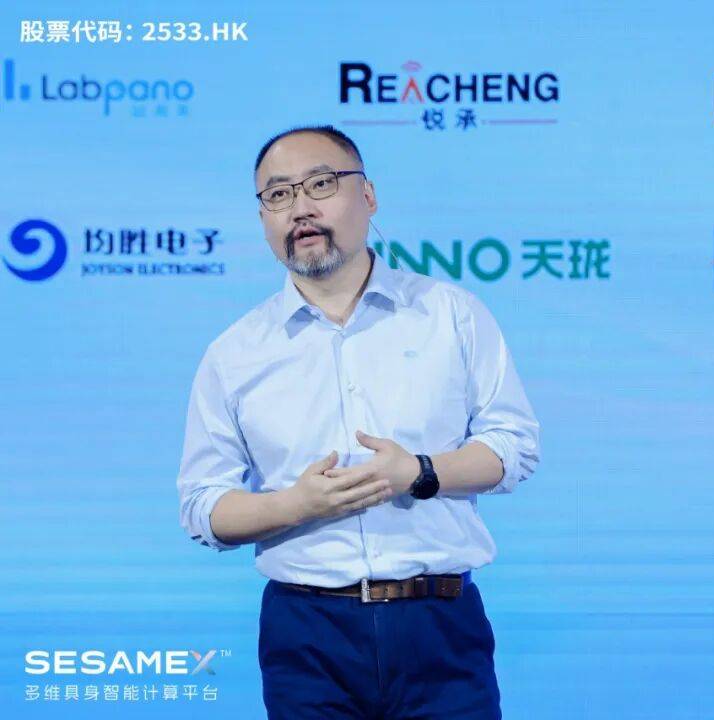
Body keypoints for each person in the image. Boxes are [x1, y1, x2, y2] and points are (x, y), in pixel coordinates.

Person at [175, 123, 541, 719]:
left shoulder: (450, 315)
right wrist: (296, 505)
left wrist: (420, 472)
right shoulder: (234, 353)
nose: (300, 208)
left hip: (439, 625)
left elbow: (513, 446)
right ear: (264, 217)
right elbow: (202, 506)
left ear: (367, 196)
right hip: (306, 633)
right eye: (279, 194)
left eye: (320, 184)